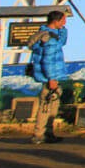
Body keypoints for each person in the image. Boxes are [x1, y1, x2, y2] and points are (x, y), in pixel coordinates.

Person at [27, 10, 68, 144]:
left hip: (49, 77)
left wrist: (62, 29)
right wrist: (51, 78)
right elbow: (48, 60)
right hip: (50, 78)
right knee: (46, 107)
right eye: (63, 20)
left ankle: (47, 133)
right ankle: (39, 134)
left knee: (52, 106)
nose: (65, 22)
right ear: (56, 21)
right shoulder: (50, 40)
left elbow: (62, 41)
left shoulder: (45, 35)